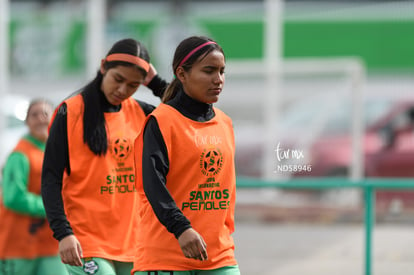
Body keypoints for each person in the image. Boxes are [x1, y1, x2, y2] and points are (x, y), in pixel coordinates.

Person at [41, 38, 167, 275]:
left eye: (133, 85)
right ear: (103, 67)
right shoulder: (70, 111)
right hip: (86, 241)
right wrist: (64, 233)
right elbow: (50, 179)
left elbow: (187, 109)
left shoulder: (142, 112)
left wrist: (156, 83)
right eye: (118, 79)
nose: (122, 90)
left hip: (135, 242)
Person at [132, 36, 240, 275]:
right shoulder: (161, 122)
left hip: (218, 255)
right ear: (182, 74)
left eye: (222, 71)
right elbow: (152, 184)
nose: (218, 79)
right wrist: (181, 228)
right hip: (166, 257)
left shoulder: (225, 123)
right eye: (209, 71)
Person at [0, 99, 68, 275]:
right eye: (34, 115)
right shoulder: (20, 154)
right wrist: (53, 208)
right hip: (19, 246)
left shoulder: (58, 152)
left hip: (52, 244)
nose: (40, 119)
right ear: (27, 122)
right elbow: (13, 197)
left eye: (45, 113)